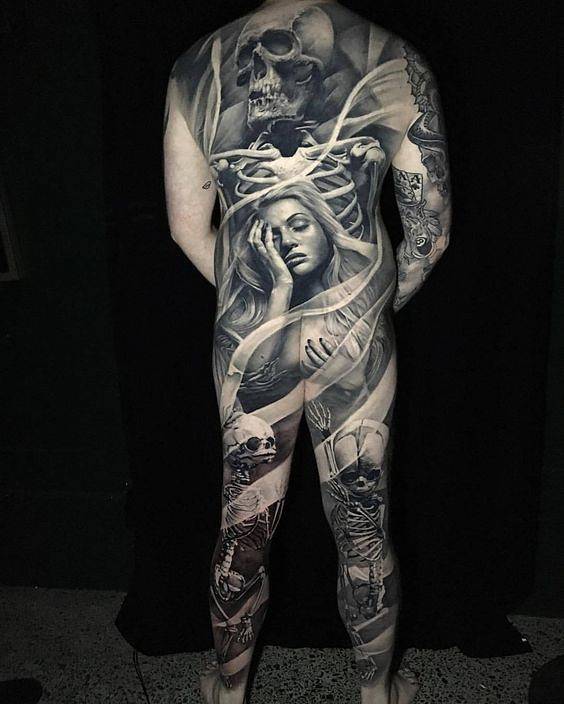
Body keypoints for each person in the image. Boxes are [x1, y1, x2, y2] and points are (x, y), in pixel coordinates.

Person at [163, 0, 451, 701]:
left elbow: (188, 229)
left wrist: (258, 301)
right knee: (363, 522)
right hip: (356, 337)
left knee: (244, 522)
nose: (264, 83)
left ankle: (228, 693)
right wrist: (364, 304)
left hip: (247, 335)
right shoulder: (396, 56)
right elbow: (429, 232)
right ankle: (376, 695)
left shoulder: (195, 67)